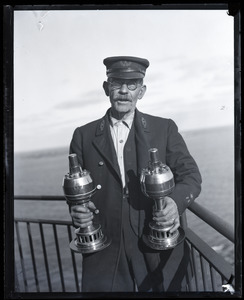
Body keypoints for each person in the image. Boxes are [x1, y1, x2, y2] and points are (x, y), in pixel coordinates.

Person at [69, 56, 202, 292]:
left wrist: (174, 202)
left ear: (141, 91)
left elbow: (191, 175)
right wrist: (77, 210)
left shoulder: (165, 128)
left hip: (156, 244)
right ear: (105, 88)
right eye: (116, 83)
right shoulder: (83, 135)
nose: (123, 91)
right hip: (105, 248)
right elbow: (77, 193)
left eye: (132, 85)